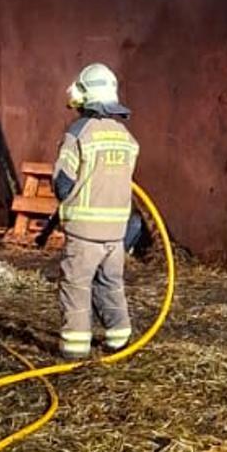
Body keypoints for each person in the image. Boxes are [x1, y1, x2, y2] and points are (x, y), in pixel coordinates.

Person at [51, 64, 140, 362]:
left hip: (84, 233)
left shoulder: (79, 134)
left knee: (76, 286)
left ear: (84, 94)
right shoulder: (125, 137)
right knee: (111, 284)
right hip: (116, 234)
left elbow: (63, 183)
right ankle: (119, 337)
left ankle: (75, 348)